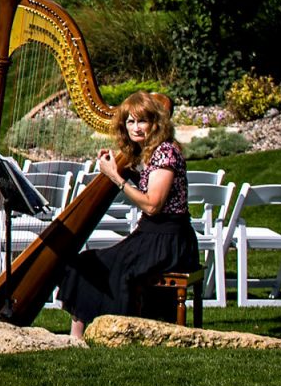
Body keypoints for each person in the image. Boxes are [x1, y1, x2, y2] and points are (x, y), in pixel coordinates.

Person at [58, 91, 198, 342]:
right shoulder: (151, 152)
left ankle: (91, 335)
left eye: (141, 121)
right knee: (90, 262)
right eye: (130, 122)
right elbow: (149, 187)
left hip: (168, 240)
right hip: (153, 235)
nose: (135, 127)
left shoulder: (166, 152)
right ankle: (79, 335)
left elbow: (153, 205)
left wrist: (116, 177)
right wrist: (122, 168)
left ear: (155, 123)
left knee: (96, 264)